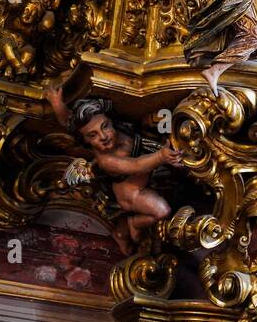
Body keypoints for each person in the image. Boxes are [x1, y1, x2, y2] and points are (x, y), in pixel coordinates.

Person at [44, 90, 182, 253]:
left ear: (111, 121)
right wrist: (161, 156)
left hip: (147, 176)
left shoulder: (119, 129)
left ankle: (124, 230)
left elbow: (70, 121)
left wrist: (58, 104)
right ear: (86, 141)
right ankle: (132, 224)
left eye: (105, 126)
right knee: (162, 211)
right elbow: (136, 165)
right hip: (133, 193)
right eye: (93, 135)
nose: (103, 136)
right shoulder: (106, 160)